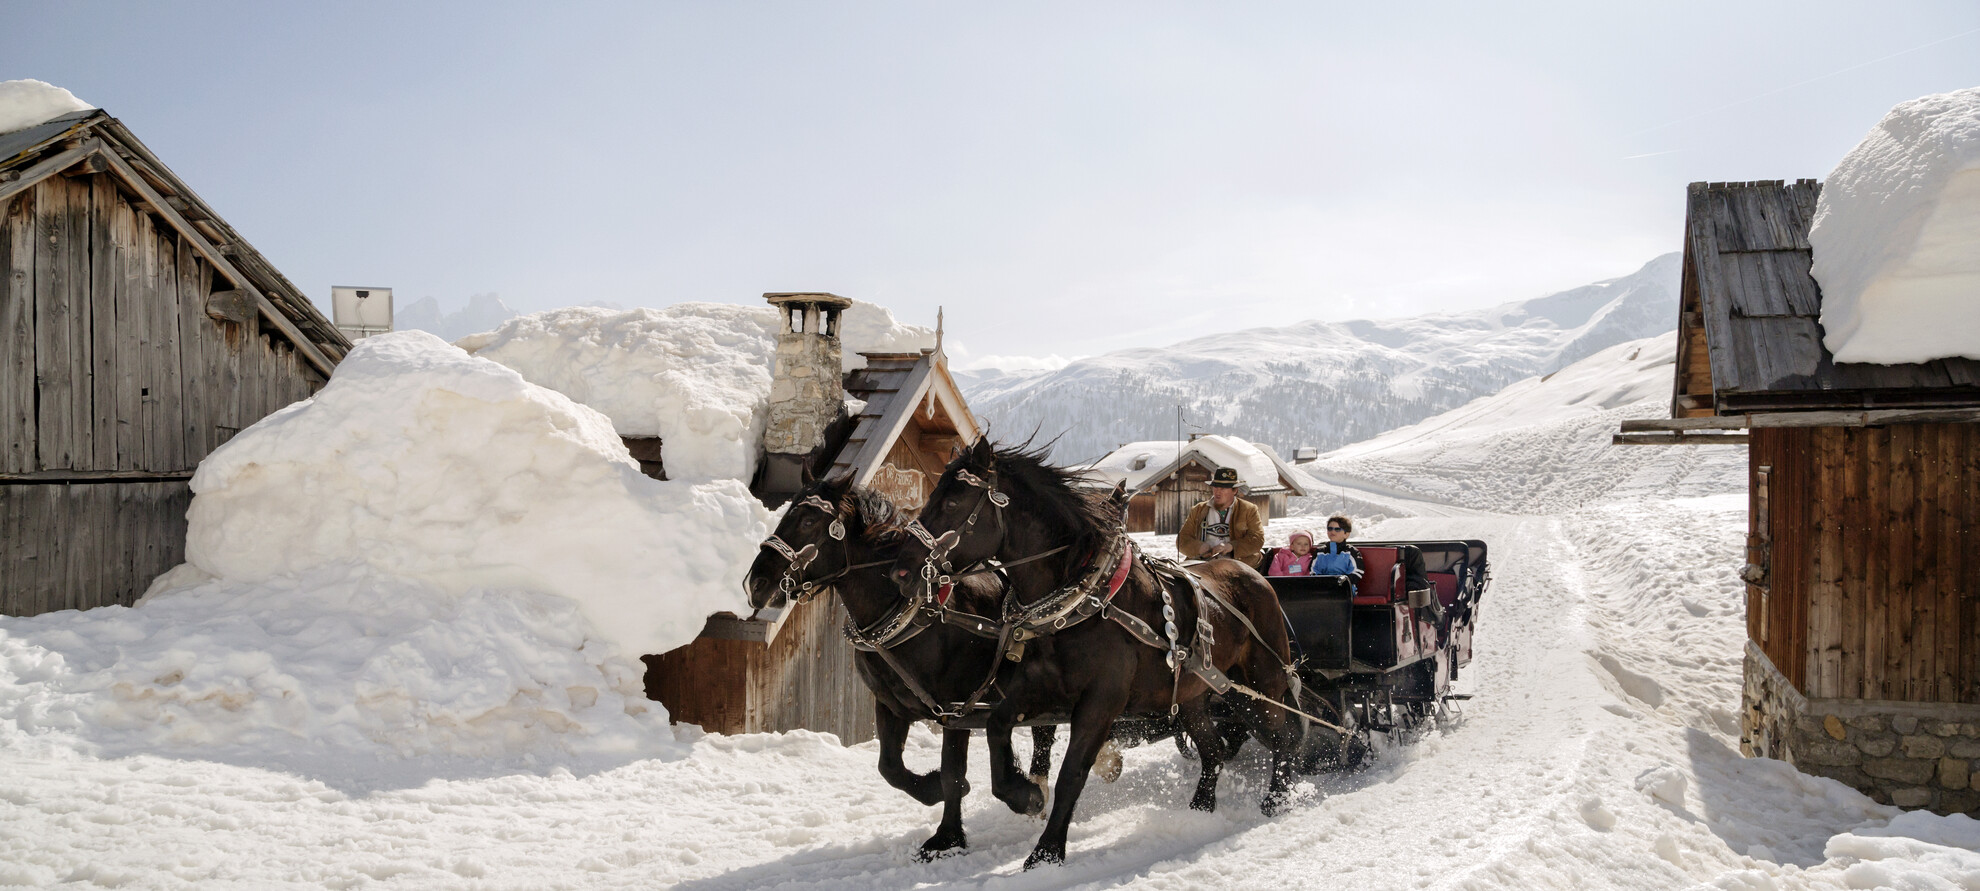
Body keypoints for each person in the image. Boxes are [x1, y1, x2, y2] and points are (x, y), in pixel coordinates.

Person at [1176, 467, 1264, 565]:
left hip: (1238, 565)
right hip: (1203, 564)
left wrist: (1231, 547)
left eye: (1223, 488)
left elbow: (1257, 539)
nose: (1218, 492)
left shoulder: (1248, 509)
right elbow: (1182, 540)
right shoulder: (1198, 510)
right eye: (1215, 487)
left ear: (1234, 490)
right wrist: (1200, 547)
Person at [1310, 515, 1363, 581]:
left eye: (1337, 529)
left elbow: (1357, 572)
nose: (1333, 531)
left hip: (1343, 588)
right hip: (1322, 588)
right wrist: (1321, 581)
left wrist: (1344, 580)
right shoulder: (1320, 552)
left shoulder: (1351, 552)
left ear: (1346, 534)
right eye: (1330, 529)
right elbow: (1313, 570)